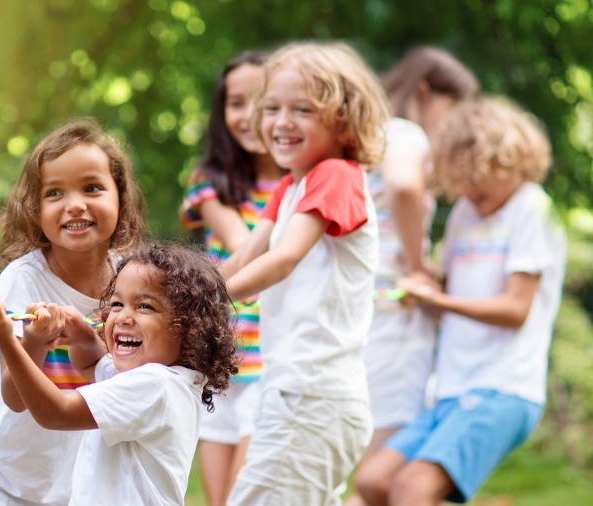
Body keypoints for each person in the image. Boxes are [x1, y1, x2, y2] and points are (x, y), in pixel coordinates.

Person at [354, 97, 566, 506]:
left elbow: (514, 311)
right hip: (451, 390)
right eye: (461, 179)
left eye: (479, 176)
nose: (469, 190)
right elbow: (446, 295)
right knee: (374, 480)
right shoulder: (464, 214)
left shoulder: (532, 207)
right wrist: (419, 293)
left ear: (508, 159)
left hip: (503, 387)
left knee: (411, 489)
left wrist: (440, 300)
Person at [0, 118, 145, 506]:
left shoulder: (132, 280)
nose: (75, 204)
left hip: (62, 489)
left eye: (92, 187)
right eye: (55, 193)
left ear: (121, 200)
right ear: (37, 211)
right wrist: (32, 341)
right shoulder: (24, 280)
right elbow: (14, 397)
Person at [219, 41, 390, 506]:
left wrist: (205, 303)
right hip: (295, 391)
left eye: (303, 110)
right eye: (272, 108)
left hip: (313, 396)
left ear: (344, 120)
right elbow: (243, 259)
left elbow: (284, 259)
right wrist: (171, 291)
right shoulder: (291, 185)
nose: (282, 122)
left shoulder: (335, 174)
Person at [0, 244, 240, 506]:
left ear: (190, 330)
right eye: (117, 303)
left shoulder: (156, 386)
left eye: (145, 306)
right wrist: (83, 338)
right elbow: (91, 365)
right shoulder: (158, 380)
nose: (123, 317)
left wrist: (8, 341)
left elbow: (55, 412)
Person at [345, 48, 480, 506]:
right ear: (425, 93)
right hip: (395, 304)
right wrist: (422, 266)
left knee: (371, 465)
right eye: (453, 110)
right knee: (384, 463)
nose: (454, 127)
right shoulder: (406, 133)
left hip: (367, 304)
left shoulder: (366, 141)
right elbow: (404, 185)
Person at [178, 50, 286, 506]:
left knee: (248, 495)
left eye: (260, 100)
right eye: (235, 103)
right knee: (218, 500)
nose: (247, 115)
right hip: (218, 358)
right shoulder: (210, 183)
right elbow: (246, 248)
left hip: (273, 363)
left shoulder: (302, 185)